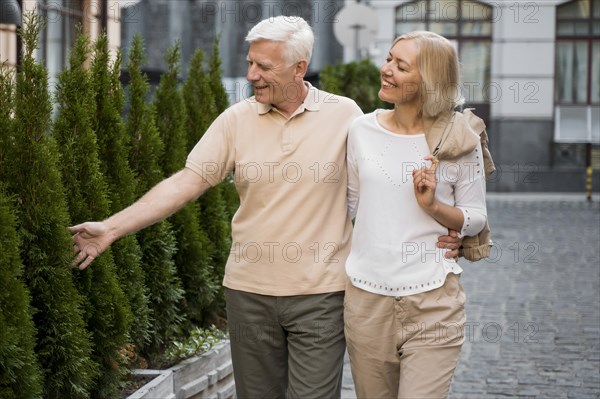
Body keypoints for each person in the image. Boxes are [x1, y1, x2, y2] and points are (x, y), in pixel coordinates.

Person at [70, 18, 461, 399]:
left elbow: (389, 183)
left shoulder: (346, 117)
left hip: (322, 294)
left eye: (264, 66)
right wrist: (111, 228)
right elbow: (185, 183)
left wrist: (451, 228)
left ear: (299, 69)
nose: (252, 74)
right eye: (250, 62)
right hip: (248, 292)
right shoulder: (236, 120)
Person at [344, 31, 490, 399]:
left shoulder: (460, 138)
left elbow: (476, 217)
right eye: (389, 59)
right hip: (366, 301)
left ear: (430, 81)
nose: (386, 69)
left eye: (400, 65)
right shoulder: (361, 130)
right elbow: (347, 207)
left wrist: (434, 208)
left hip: (434, 302)